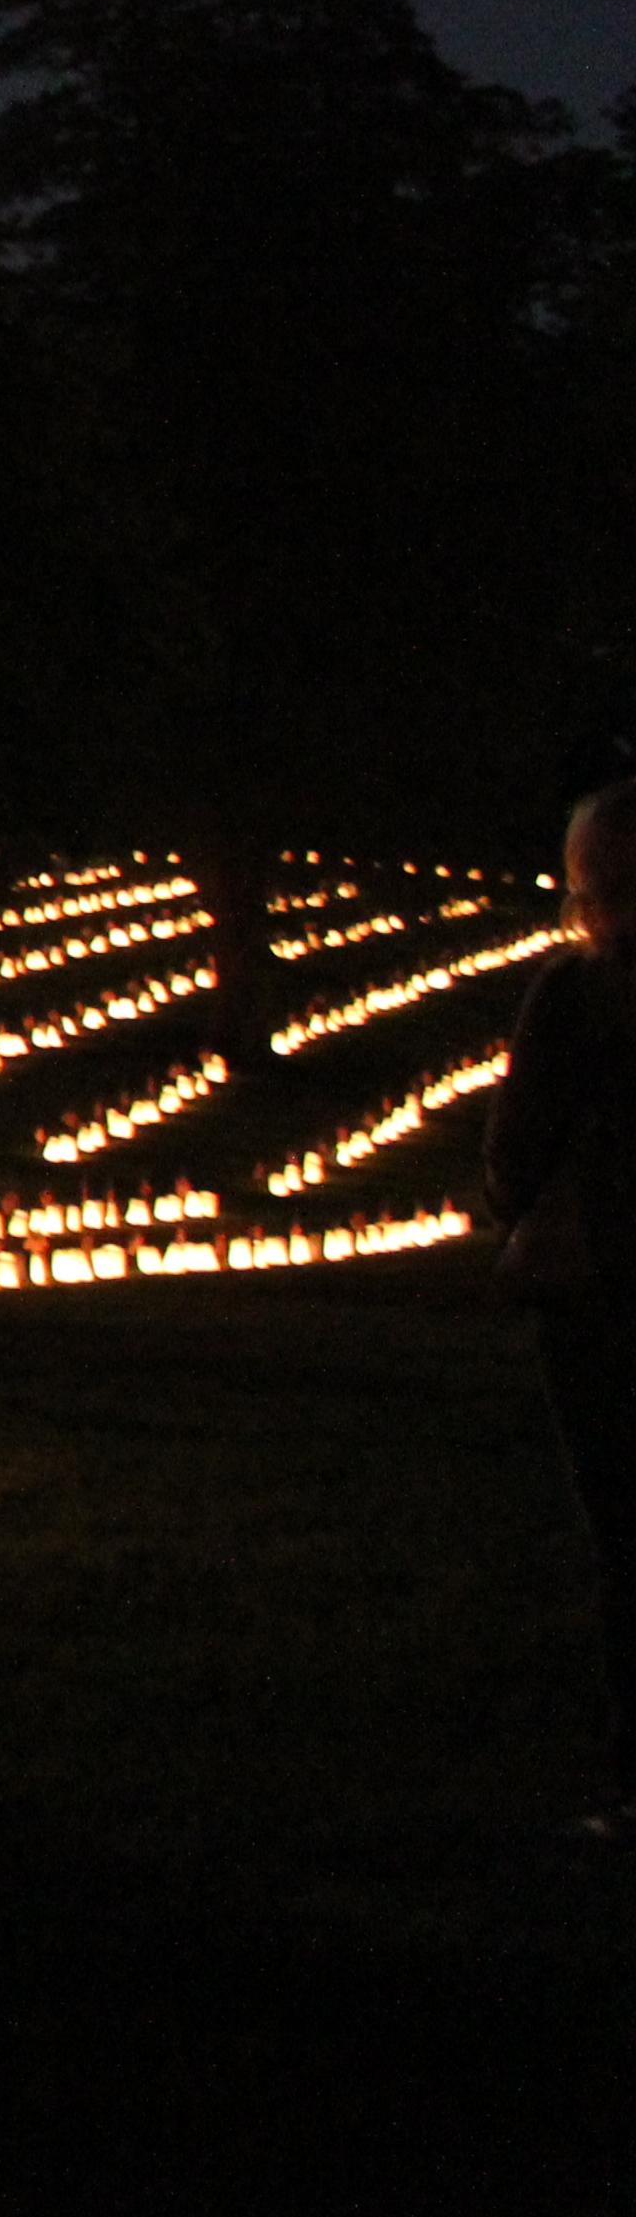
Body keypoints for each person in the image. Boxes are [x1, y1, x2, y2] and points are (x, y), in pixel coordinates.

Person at [490, 781, 636, 1838]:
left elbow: (517, 1151)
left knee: (627, 1532)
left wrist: (503, 1199)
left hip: (601, 1294)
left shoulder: (576, 995)